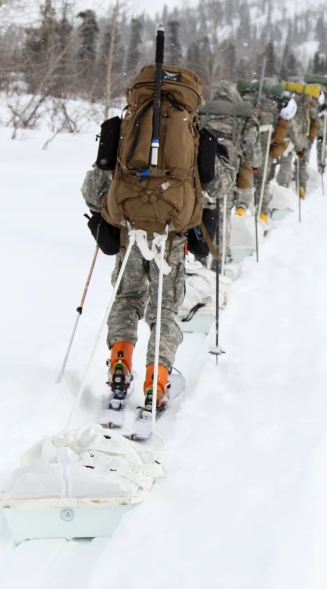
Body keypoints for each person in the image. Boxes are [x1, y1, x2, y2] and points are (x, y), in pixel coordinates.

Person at [81, 67, 235, 413]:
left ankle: (120, 360)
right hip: (172, 235)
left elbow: (92, 187)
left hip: (130, 231)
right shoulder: (195, 135)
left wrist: (106, 213)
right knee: (164, 307)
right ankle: (157, 379)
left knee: (128, 298)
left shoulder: (125, 128)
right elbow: (221, 186)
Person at [198, 80, 261, 260]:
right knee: (222, 214)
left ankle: (199, 257)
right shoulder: (242, 115)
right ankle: (221, 258)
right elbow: (251, 149)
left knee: (198, 214)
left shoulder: (201, 111)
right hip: (227, 173)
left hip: (201, 172)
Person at [236, 79, 297, 225]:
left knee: (246, 176)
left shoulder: (244, 98)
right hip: (265, 147)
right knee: (263, 181)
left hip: (246, 144)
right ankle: (263, 213)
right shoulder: (274, 103)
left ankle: (241, 209)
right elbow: (281, 127)